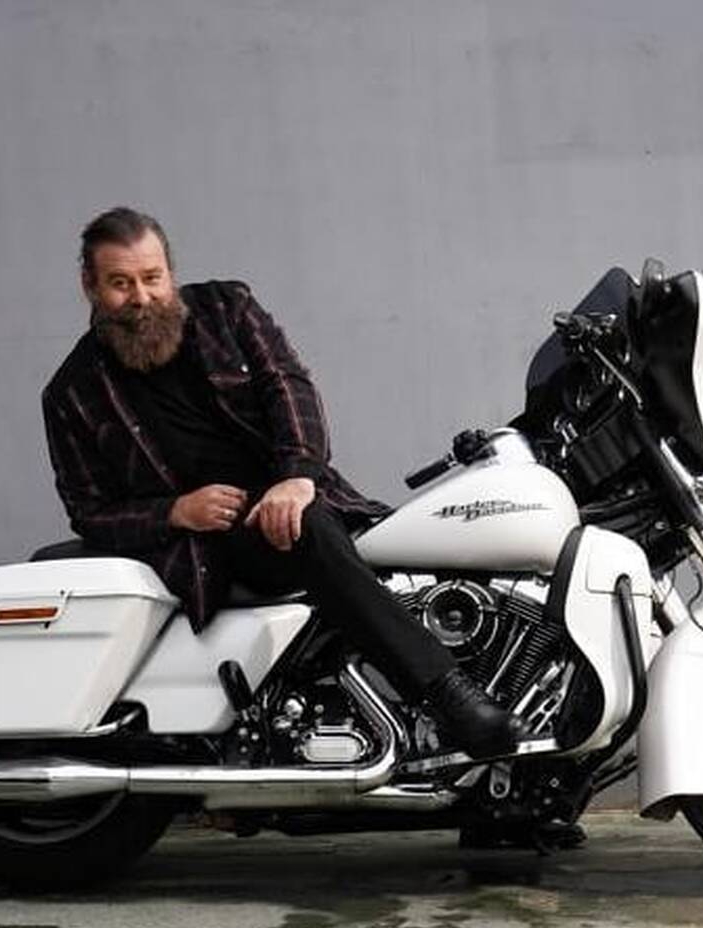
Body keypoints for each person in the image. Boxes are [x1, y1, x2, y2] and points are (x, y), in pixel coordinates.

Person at [42, 206, 525, 758]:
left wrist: (296, 477)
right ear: (90, 285)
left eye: (152, 278)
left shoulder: (228, 310)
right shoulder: (73, 393)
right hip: (209, 546)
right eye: (121, 283)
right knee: (309, 531)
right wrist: (176, 512)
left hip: (295, 498)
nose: (142, 298)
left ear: (170, 272)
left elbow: (288, 387)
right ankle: (450, 698)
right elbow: (89, 511)